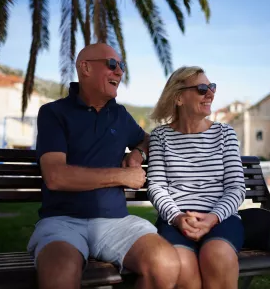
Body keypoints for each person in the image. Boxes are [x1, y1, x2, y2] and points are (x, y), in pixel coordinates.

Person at [27, 43, 181, 289]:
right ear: (85, 67)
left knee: (166, 263)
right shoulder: (54, 113)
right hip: (62, 221)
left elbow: (148, 139)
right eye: (112, 64)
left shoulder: (120, 115)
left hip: (117, 222)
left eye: (122, 66)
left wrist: (138, 154)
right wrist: (123, 176)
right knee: (60, 273)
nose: (119, 72)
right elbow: (56, 176)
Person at [147, 66, 246, 289]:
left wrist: (213, 218)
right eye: (202, 88)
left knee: (218, 256)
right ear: (179, 97)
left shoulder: (225, 134)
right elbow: (157, 187)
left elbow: (236, 188)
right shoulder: (160, 137)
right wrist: (177, 217)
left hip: (221, 219)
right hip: (175, 221)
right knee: (181, 264)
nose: (210, 93)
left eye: (212, 87)